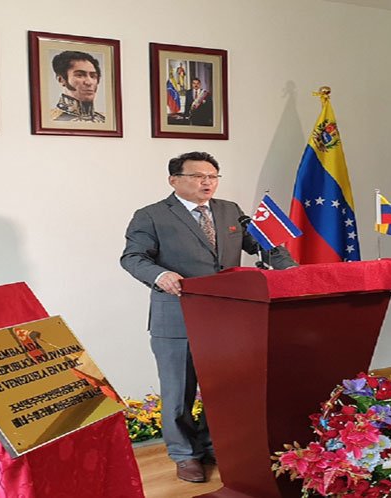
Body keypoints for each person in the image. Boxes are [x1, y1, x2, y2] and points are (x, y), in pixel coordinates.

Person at [120, 151, 296, 483]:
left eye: (213, 176)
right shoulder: (151, 215)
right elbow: (133, 257)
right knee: (179, 393)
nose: (207, 182)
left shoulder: (230, 211)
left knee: (223, 388)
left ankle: (215, 445)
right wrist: (159, 275)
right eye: (198, 176)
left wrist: (290, 271)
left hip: (228, 317)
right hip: (177, 317)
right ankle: (184, 454)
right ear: (174, 180)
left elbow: (265, 245)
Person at [50, 50, 105, 123]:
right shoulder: (49, 119)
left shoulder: (105, 120)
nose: (89, 82)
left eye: (93, 76)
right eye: (79, 75)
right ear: (61, 80)